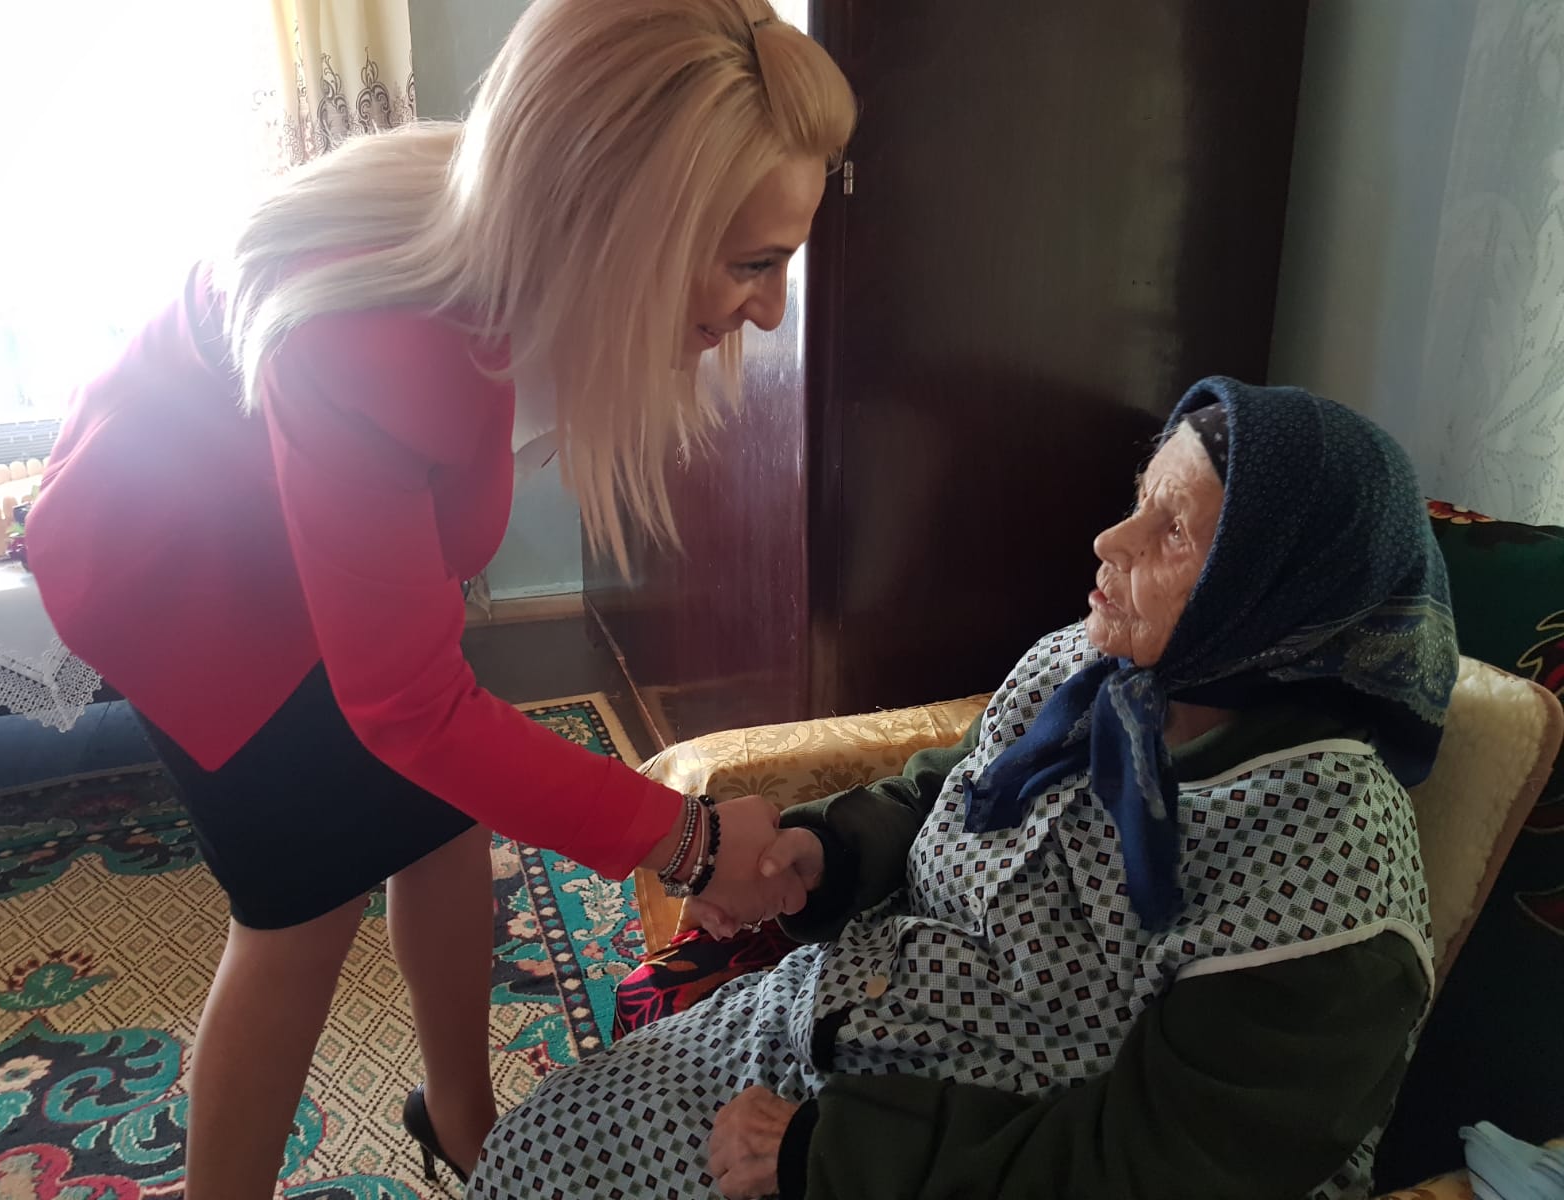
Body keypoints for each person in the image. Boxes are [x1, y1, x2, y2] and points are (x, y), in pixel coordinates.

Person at [24, 3, 856, 1197]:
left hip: (289, 516)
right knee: (300, 913)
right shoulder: (375, 336)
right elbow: (409, 706)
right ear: (624, 226)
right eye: (751, 264)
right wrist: (688, 843)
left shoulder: (525, 223)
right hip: (181, 570)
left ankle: (460, 1113)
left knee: (447, 813)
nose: (769, 311)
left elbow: (419, 662)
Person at [467, 376, 1460, 1200]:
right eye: (1138, 496)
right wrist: (826, 851)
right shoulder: (1089, 668)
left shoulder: (1328, 883)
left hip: (951, 1152)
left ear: (1273, 600)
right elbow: (950, 789)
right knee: (533, 1152)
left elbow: (1155, 1167)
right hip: (841, 1023)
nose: (1109, 541)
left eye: (1171, 531)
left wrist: (825, 1154)